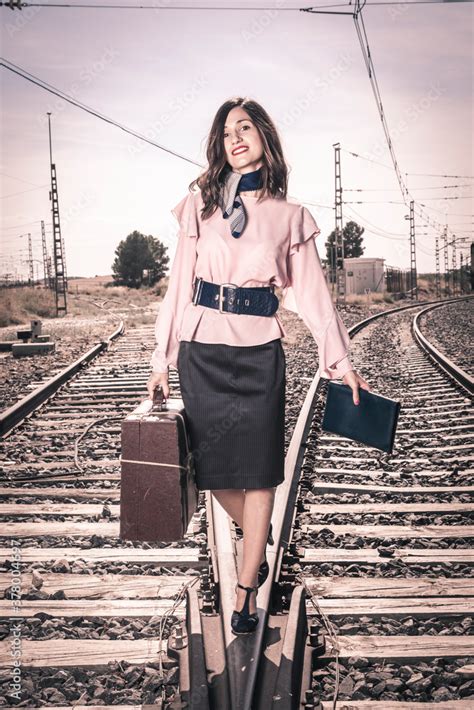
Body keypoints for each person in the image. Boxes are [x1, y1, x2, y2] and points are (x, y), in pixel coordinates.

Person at [147, 97, 370, 635]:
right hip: (202, 349)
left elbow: (314, 295)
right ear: (220, 147)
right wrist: (162, 356)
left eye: (245, 128)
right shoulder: (198, 207)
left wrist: (339, 361)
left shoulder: (290, 218)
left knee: (263, 469)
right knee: (207, 467)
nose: (236, 138)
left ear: (265, 138)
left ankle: (246, 592)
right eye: (227, 133)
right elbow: (179, 287)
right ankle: (255, 538)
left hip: (259, 353)